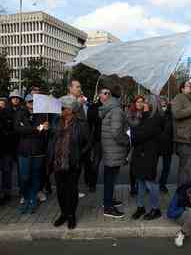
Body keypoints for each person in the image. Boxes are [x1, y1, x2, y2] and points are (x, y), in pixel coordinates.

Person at [49, 96, 89, 229]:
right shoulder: (55, 121)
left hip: (73, 163)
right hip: (58, 162)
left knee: (71, 191)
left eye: (63, 108)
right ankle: (63, 214)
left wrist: (79, 155)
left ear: (71, 110)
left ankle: (71, 215)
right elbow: (52, 139)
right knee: (60, 191)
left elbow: (88, 143)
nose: (60, 110)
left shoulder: (81, 124)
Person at [98, 75, 130, 218]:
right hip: (114, 149)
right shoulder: (116, 109)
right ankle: (108, 208)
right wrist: (126, 140)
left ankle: (108, 201)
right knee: (110, 178)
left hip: (108, 149)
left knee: (109, 178)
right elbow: (117, 132)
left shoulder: (108, 108)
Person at [14, 94, 48, 214]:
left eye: (34, 102)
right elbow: (18, 129)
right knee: (24, 177)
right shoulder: (20, 113)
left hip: (38, 151)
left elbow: (43, 133)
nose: (32, 104)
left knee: (35, 176)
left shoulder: (42, 114)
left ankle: (32, 200)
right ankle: (26, 197)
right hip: (24, 151)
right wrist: (36, 129)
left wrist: (39, 129)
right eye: (30, 102)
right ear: (26, 103)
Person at [130, 95, 163, 220]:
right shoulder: (145, 117)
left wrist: (133, 134)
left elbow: (138, 136)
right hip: (141, 154)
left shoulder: (154, 119)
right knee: (140, 181)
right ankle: (140, 207)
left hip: (149, 155)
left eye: (145, 102)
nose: (142, 104)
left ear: (150, 105)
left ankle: (155, 209)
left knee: (150, 182)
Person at [172, 81, 191, 187]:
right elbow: (176, 114)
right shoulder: (178, 98)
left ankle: (189, 192)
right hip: (184, 139)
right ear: (182, 89)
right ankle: (182, 193)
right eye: (189, 86)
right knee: (185, 168)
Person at [127, 95, 145, 196]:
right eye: (138, 102)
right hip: (133, 142)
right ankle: (133, 186)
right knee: (133, 165)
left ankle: (141, 185)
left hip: (143, 142)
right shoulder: (130, 112)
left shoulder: (146, 112)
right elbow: (132, 124)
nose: (140, 104)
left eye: (141, 102)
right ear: (134, 103)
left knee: (142, 164)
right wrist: (139, 117)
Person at [158, 96, 173, 193]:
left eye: (164, 101)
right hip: (157, 143)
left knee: (166, 167)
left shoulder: (170, 113)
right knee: (152, 166)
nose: (163, 103)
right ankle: (149, 184)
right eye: (161, 101)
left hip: (168, 144)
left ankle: (162, 184)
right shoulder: (155, 113)